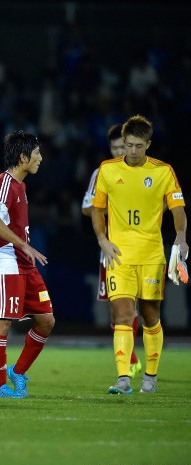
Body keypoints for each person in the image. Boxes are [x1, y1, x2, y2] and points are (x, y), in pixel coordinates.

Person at [91, 115, 187, 395]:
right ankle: (123, 378)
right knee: (121, 314)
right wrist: (102, 239)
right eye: (128, 145)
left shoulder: (163, 171)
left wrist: (181, 237)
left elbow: (178, 209)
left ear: (148, 144)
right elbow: (97, 209)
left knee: (150, 316)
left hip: (150, 255)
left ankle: (151, 376)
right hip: (118, 255)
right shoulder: (108, 170)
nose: (131, 152)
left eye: (137, 146)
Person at [0, 130, 55, 398]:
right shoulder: (4, 184)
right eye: (37, 154)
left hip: (24, 263)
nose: (40, 158)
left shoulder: (20, 185)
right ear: (23, 157)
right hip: (7, 261)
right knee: (2, 323)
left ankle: (19, 371)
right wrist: (23, 244)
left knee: (46, 320)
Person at [82, 124, 142, 378]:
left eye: (124, 147)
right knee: (114, 309)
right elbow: (87, 207)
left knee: (134, 306)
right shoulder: (102, 172)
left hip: (141, 248)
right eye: (115, 147)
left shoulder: (147, 172)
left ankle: (133, 360)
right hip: (111, 250)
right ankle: (131, 359)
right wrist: (111, 208)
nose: (120, 152)